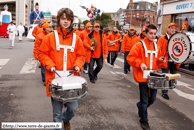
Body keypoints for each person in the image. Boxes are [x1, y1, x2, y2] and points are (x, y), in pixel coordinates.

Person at [38, 8, 85, 130]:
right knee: (56, 113)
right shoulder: (49, 37)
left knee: (73, 108)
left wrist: (77, 65)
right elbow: (42, 54)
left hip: (72, 80)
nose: (66, 21)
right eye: (63, 19)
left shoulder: (77, 38)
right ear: (59, 19)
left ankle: (66, 119)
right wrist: (50, 65)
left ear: (71, 21)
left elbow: (81, 55)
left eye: (68, 19)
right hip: (55, 79)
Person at [127, 24, 165, 130]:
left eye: (154, 33)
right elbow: (130, 58)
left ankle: (140, 106)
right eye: (151, 33)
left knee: (152, 99)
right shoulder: (139, 45)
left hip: (154, 76)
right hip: (142, 77)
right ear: (146, 33)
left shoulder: (156, 46)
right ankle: (144, 121)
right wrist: (140, 63)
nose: (153, 36)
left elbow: (157, 62)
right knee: (144, 100)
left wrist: (160, 60)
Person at [157, 23, 179, 100]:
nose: (173, 29)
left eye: (174, 28)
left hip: (173, 61)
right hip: (165, 60)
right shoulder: (162, 38)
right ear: (168, 28)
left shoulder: (177, 37)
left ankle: (170, 86)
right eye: (171, 28)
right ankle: (164, 92)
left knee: (174, 76)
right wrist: (160, 57)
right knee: (165, 77)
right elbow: (158, 48)